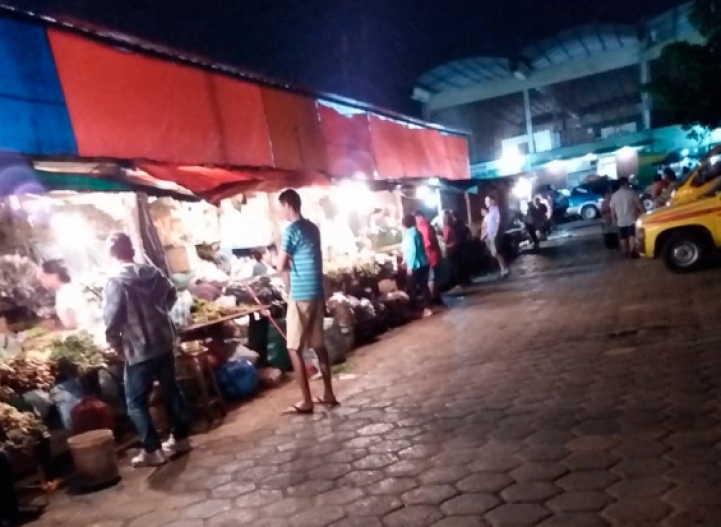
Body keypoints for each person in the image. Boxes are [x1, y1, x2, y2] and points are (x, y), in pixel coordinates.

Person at [103, 233, 190, 467]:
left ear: (113, 254)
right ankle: (181, 439)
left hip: (138, 348)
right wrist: (159, 314)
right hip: (163, 340)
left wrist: (115, 344)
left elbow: (111, 319)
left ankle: (153, 450)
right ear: (131, 250)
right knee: (171, 390)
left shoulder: (116, 281)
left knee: (135, 402)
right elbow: (172, 294)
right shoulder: (152, 272)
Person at [276, 189, 338, 415]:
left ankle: (306, 400)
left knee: (293, 347)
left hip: (300, 294)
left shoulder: (291, 230)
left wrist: (285, 262)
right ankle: (329, 393)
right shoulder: (312, 228)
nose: (280, 211)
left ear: (288, 205)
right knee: (318, 344)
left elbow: (279, 265)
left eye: (281, 206)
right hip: (316, 292)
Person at [38, 260, 91, 330]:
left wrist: (54, 328)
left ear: (54, 275)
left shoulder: (66, 293)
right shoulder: (61, 291)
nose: (41, 281)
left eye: (43, 276)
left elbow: (72, 324)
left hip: (82, 333)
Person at [401, 214, 433, 318]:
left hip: (416, 265)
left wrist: (409, 265)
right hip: (424, 262)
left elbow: (412, 251)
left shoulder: (410, 235)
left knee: (412, 287)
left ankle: (414, 309)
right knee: (424, 286)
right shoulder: (417, 232)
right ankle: (427, 308)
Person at [609, 177, 645, 258]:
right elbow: (639, 204)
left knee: (623, 237)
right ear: (625, 183)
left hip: (620, 221)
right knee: (631, 235)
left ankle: (625, 251)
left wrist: (613, 219)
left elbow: (612, 210)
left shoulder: (614, 196)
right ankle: (632, 250)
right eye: (628, 183)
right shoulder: (632, 193)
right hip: (632, 218)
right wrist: (643, 212)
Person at [414, 210, 443, 305]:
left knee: (431, 278)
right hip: (434, 255)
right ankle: (436, 297)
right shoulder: (428, 225)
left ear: (419, 217)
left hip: (430, 256)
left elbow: (428, 243)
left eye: (416, 218)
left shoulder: (423, 227)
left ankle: (434, 298)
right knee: (434, 278)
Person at [482, 196, 509, 277]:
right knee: (494, 253)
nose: (486, 203)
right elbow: (486, 224)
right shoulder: (489, 213)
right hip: (490, 235)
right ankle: (503, 269)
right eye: (485, 201)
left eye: (487, 201)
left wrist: (496, 234)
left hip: (494, 235)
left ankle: (504, 269)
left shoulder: (496, 210)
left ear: (492, 201)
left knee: (496, 252)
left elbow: (498, 222)